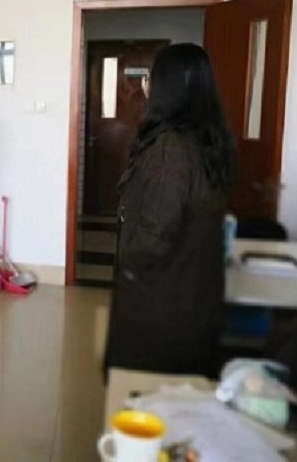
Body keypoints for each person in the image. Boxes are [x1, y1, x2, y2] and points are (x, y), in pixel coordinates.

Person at [103, 43, 237, 380]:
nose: (145, 83)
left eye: (152, 76)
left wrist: (129, 268)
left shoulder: (170, 147)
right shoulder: (208, 138)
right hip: (193, 290)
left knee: (145, 387)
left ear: (168, 85)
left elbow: (156, 232)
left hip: (162, 299)